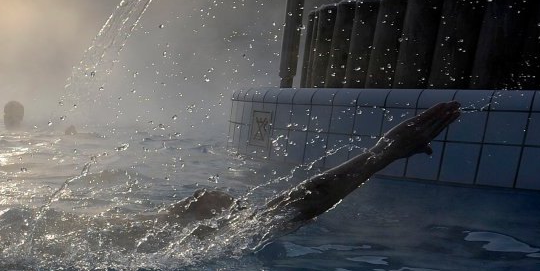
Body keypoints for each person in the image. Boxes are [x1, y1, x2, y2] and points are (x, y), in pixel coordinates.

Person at [162, 101, 461, 235]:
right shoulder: (183, 238)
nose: (239, 205)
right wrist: (382, 153)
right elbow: (300, 203)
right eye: (234, 209)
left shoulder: (135, 226)